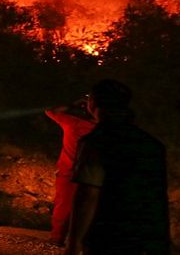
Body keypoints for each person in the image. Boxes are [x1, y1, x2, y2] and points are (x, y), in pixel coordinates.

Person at [65, 79, 170, 255]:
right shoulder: (152, 144)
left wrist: (74, 243)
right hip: (149, 237)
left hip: (110, 236)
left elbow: (88, 195)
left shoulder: (97, 142)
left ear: (93, 103)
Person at [45, 97, 96, 246]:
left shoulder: (73, 123)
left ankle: (57, 238)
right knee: (90, 208)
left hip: (68, 173)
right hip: (93, 175)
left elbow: (50, 111)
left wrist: (72, 103)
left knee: (63, 206)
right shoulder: (106, 132)